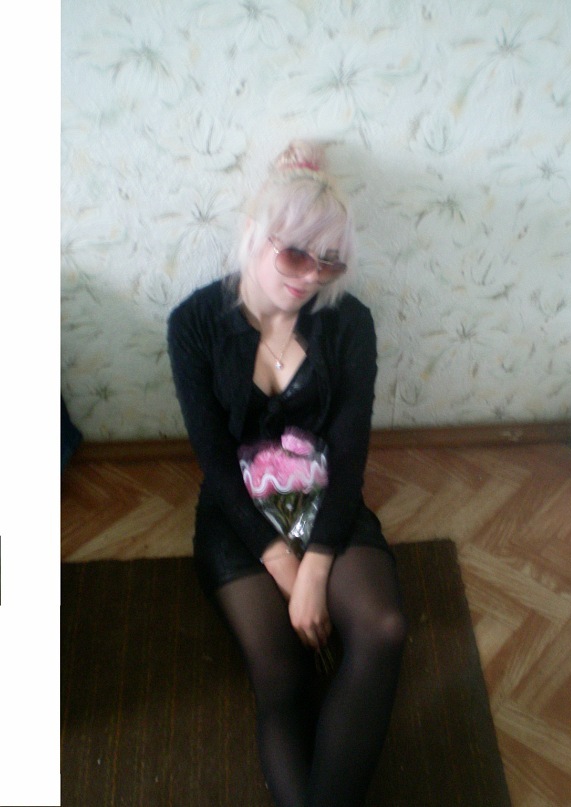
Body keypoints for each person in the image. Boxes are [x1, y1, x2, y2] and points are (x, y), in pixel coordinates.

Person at [167, 140, 406, 807]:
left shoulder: (347, 321)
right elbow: (216, 464)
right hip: (238, 513)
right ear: (253, 232)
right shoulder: (193, 324)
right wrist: (282, 567)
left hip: (327, 497)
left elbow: (349, 456)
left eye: (329, 261)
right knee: (282, 675)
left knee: (383, 629)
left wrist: (317, 567)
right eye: (296, 254)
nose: (310, 277)